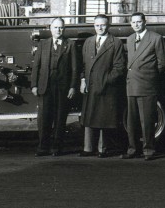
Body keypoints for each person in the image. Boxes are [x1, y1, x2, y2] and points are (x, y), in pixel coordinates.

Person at [122, 12, 165, 161]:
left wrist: (150, 77)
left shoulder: (155, 38)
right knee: (131, 120)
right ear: (131, 24)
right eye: (133, 22)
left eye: (139, 22)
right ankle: (132, 149)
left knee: (147, 120)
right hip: (131, 85)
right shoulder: (129, 39)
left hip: (147, 85)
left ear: (145, 22)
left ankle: (149, 150)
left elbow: (162, 63)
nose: (136, 24)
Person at [79, 14, 126, 158]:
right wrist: (82, 80)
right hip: (89, 86)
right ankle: (88, 148)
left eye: (103, 25)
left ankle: (102, 149)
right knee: (89, 117)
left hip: (106, 88)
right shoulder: (88, 42)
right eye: (97, 25)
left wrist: (106, 81)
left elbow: (119, 67)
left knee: (103, 118)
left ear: (108, 25)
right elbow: (83, 64)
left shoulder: (115, 43)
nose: (99, 28)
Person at [31, 18, 78, 156]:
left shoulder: (70, 45)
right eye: (56, 27)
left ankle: (57, 147)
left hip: (63, 88)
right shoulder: (43, 44)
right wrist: (34, 84)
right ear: (51, 29)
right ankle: (43, 147)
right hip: (45, 86)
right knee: (44, 118)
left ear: (64, 29)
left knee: (60, 118)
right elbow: (36, 66)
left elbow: (75, 68)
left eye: (61, 28)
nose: (59, 30)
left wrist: (73, 86)